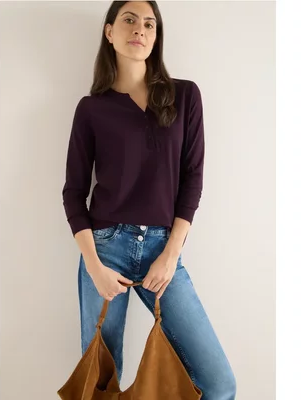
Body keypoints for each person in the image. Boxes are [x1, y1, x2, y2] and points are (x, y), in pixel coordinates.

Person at [62, 1, 236, 399]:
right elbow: (73, 193)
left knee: (219, 384)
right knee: (99, 385)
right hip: (104, 251)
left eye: (149, 24)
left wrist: (171, 253)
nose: (139, 29)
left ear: (156, 37)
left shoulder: (184, 96)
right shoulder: (92, 109)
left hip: (162, 247)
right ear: (109, 32)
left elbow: (192, 180)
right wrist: (94, 267)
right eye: (129, 20)